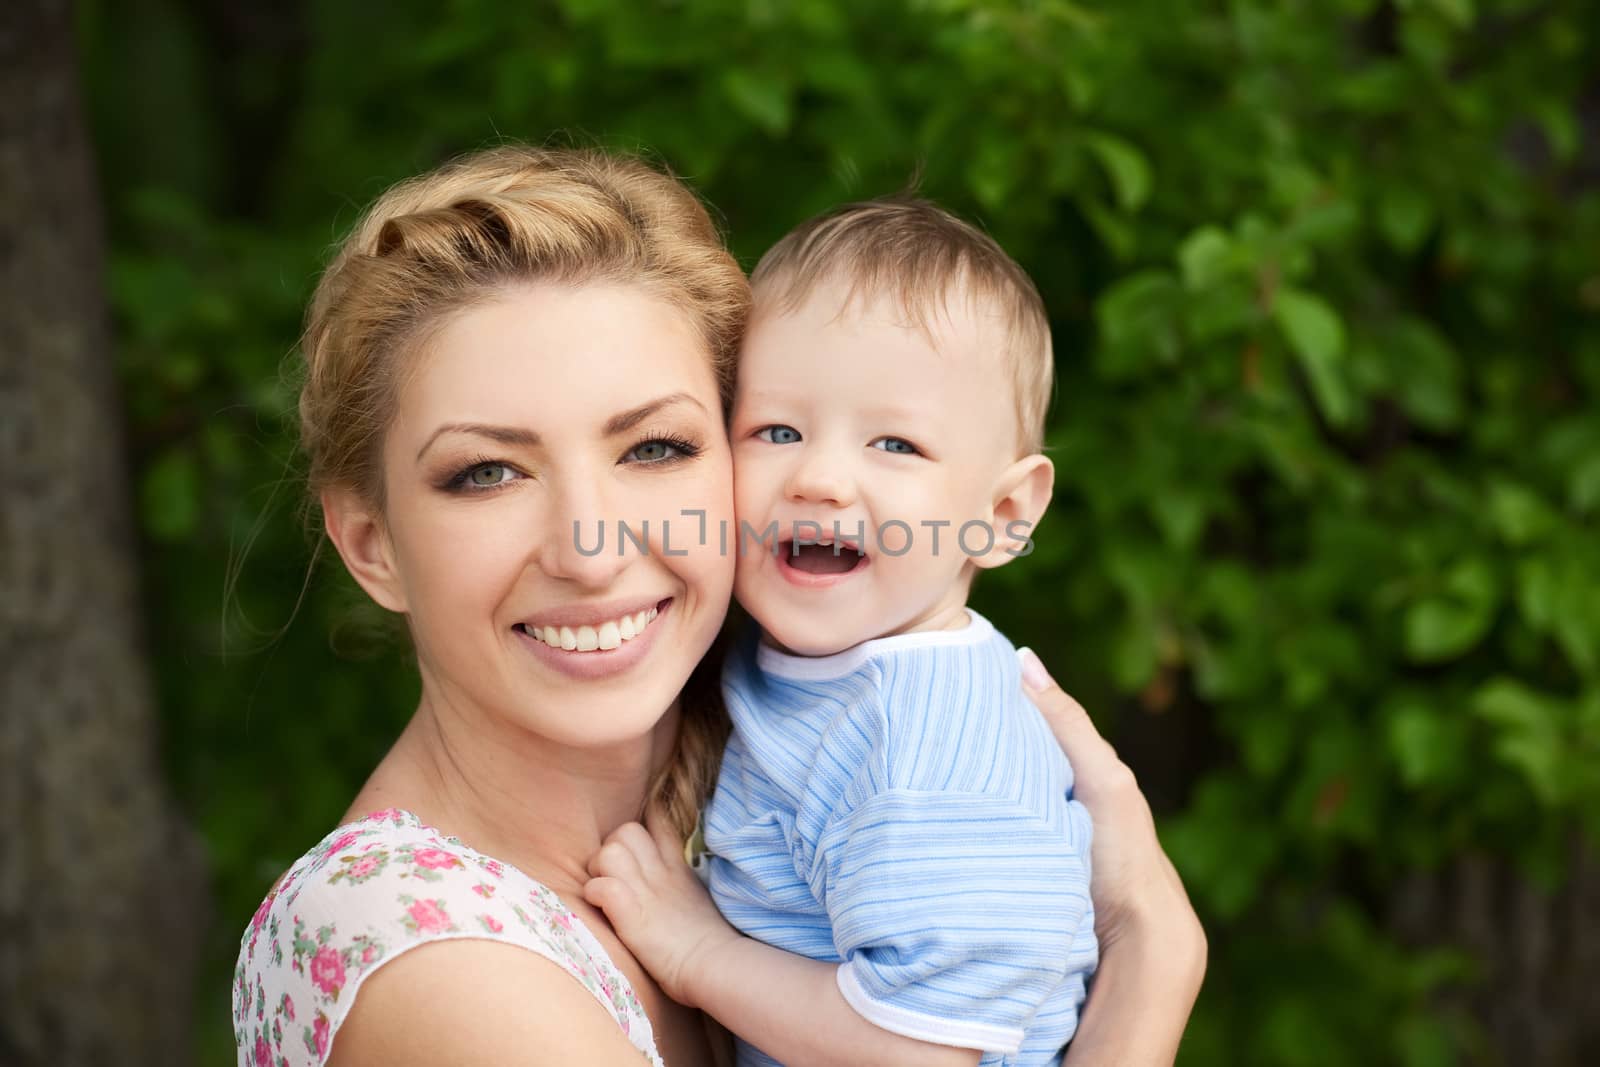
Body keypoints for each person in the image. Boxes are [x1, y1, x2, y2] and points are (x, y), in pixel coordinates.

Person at [231, 145, 1205, 1067]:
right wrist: (1147, 979)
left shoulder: (779, 807)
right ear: (371, 542)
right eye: (487, 471)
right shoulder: (436, 965)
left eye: (653, 447)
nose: (589, 546)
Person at [587, 198, 1095, 1066]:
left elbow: (920, 1052)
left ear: (1003, 513)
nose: (819, 477)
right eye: (777, 430)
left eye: (894, 444)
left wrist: (696, 951)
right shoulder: (798, 663)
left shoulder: (929, 748)